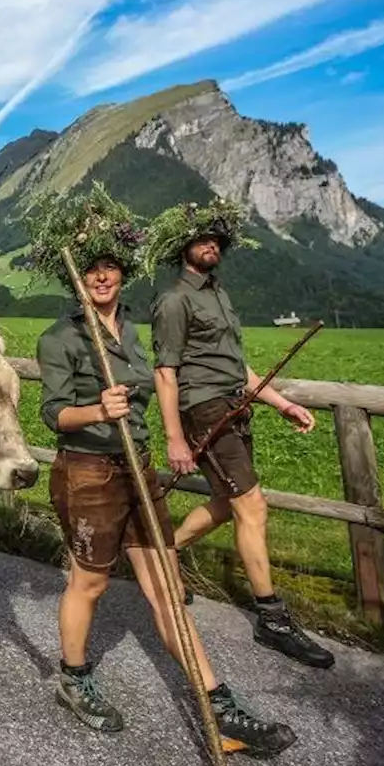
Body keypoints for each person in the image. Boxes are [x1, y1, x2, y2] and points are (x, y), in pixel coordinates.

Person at [30, 184, 296, 757]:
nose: (102, 277)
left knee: (166, 587)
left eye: (111, 267)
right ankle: (73, 679)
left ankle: (217, 705)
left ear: (122, 273)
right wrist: (98, 408)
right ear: (75, 277)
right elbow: (53, 414)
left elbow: (162, 384)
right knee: (91, 581)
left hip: (139, 467)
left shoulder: (131, 332)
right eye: (92, 268)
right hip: (89, 472)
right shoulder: (60, 337)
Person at [146, 199, 334, 670]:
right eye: (203, 238)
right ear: (183, 245)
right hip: (203, 409)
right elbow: (166, 373)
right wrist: (174, 438)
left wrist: (283, 402)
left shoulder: (219, 295)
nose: (213, 245)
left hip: (234, 407)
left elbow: (241, 369)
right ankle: (272, 617)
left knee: (229, 505)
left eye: (219, 240)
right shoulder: (174, 301)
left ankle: (161, 554)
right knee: (253, 505)